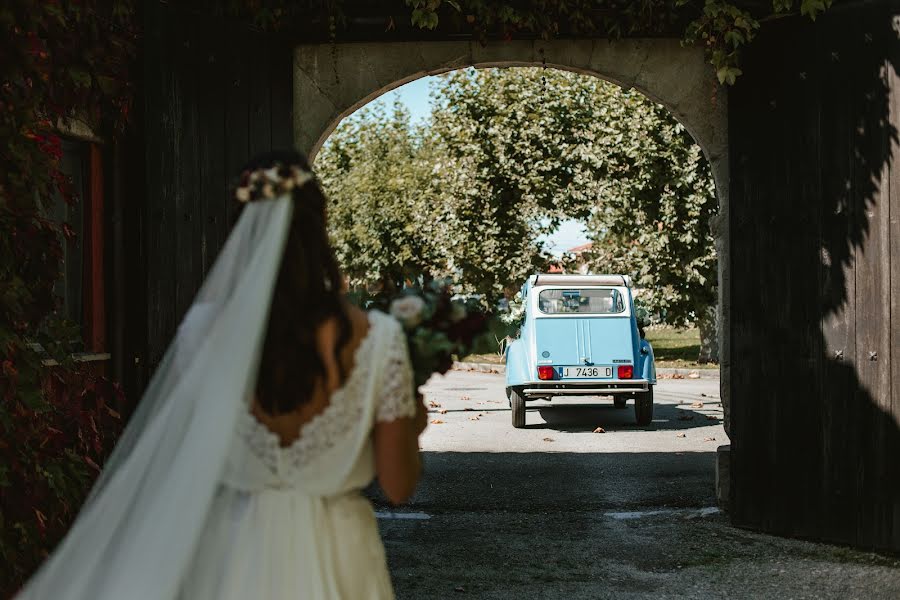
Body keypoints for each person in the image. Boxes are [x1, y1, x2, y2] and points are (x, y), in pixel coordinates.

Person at [18, 150, 428, 600]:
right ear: (319, 228)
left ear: (242, 232)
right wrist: (411, 418)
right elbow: (398, 485)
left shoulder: (203, 335)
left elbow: (183, 462)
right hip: (341, 553)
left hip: (233, 555)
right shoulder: (379, 339)